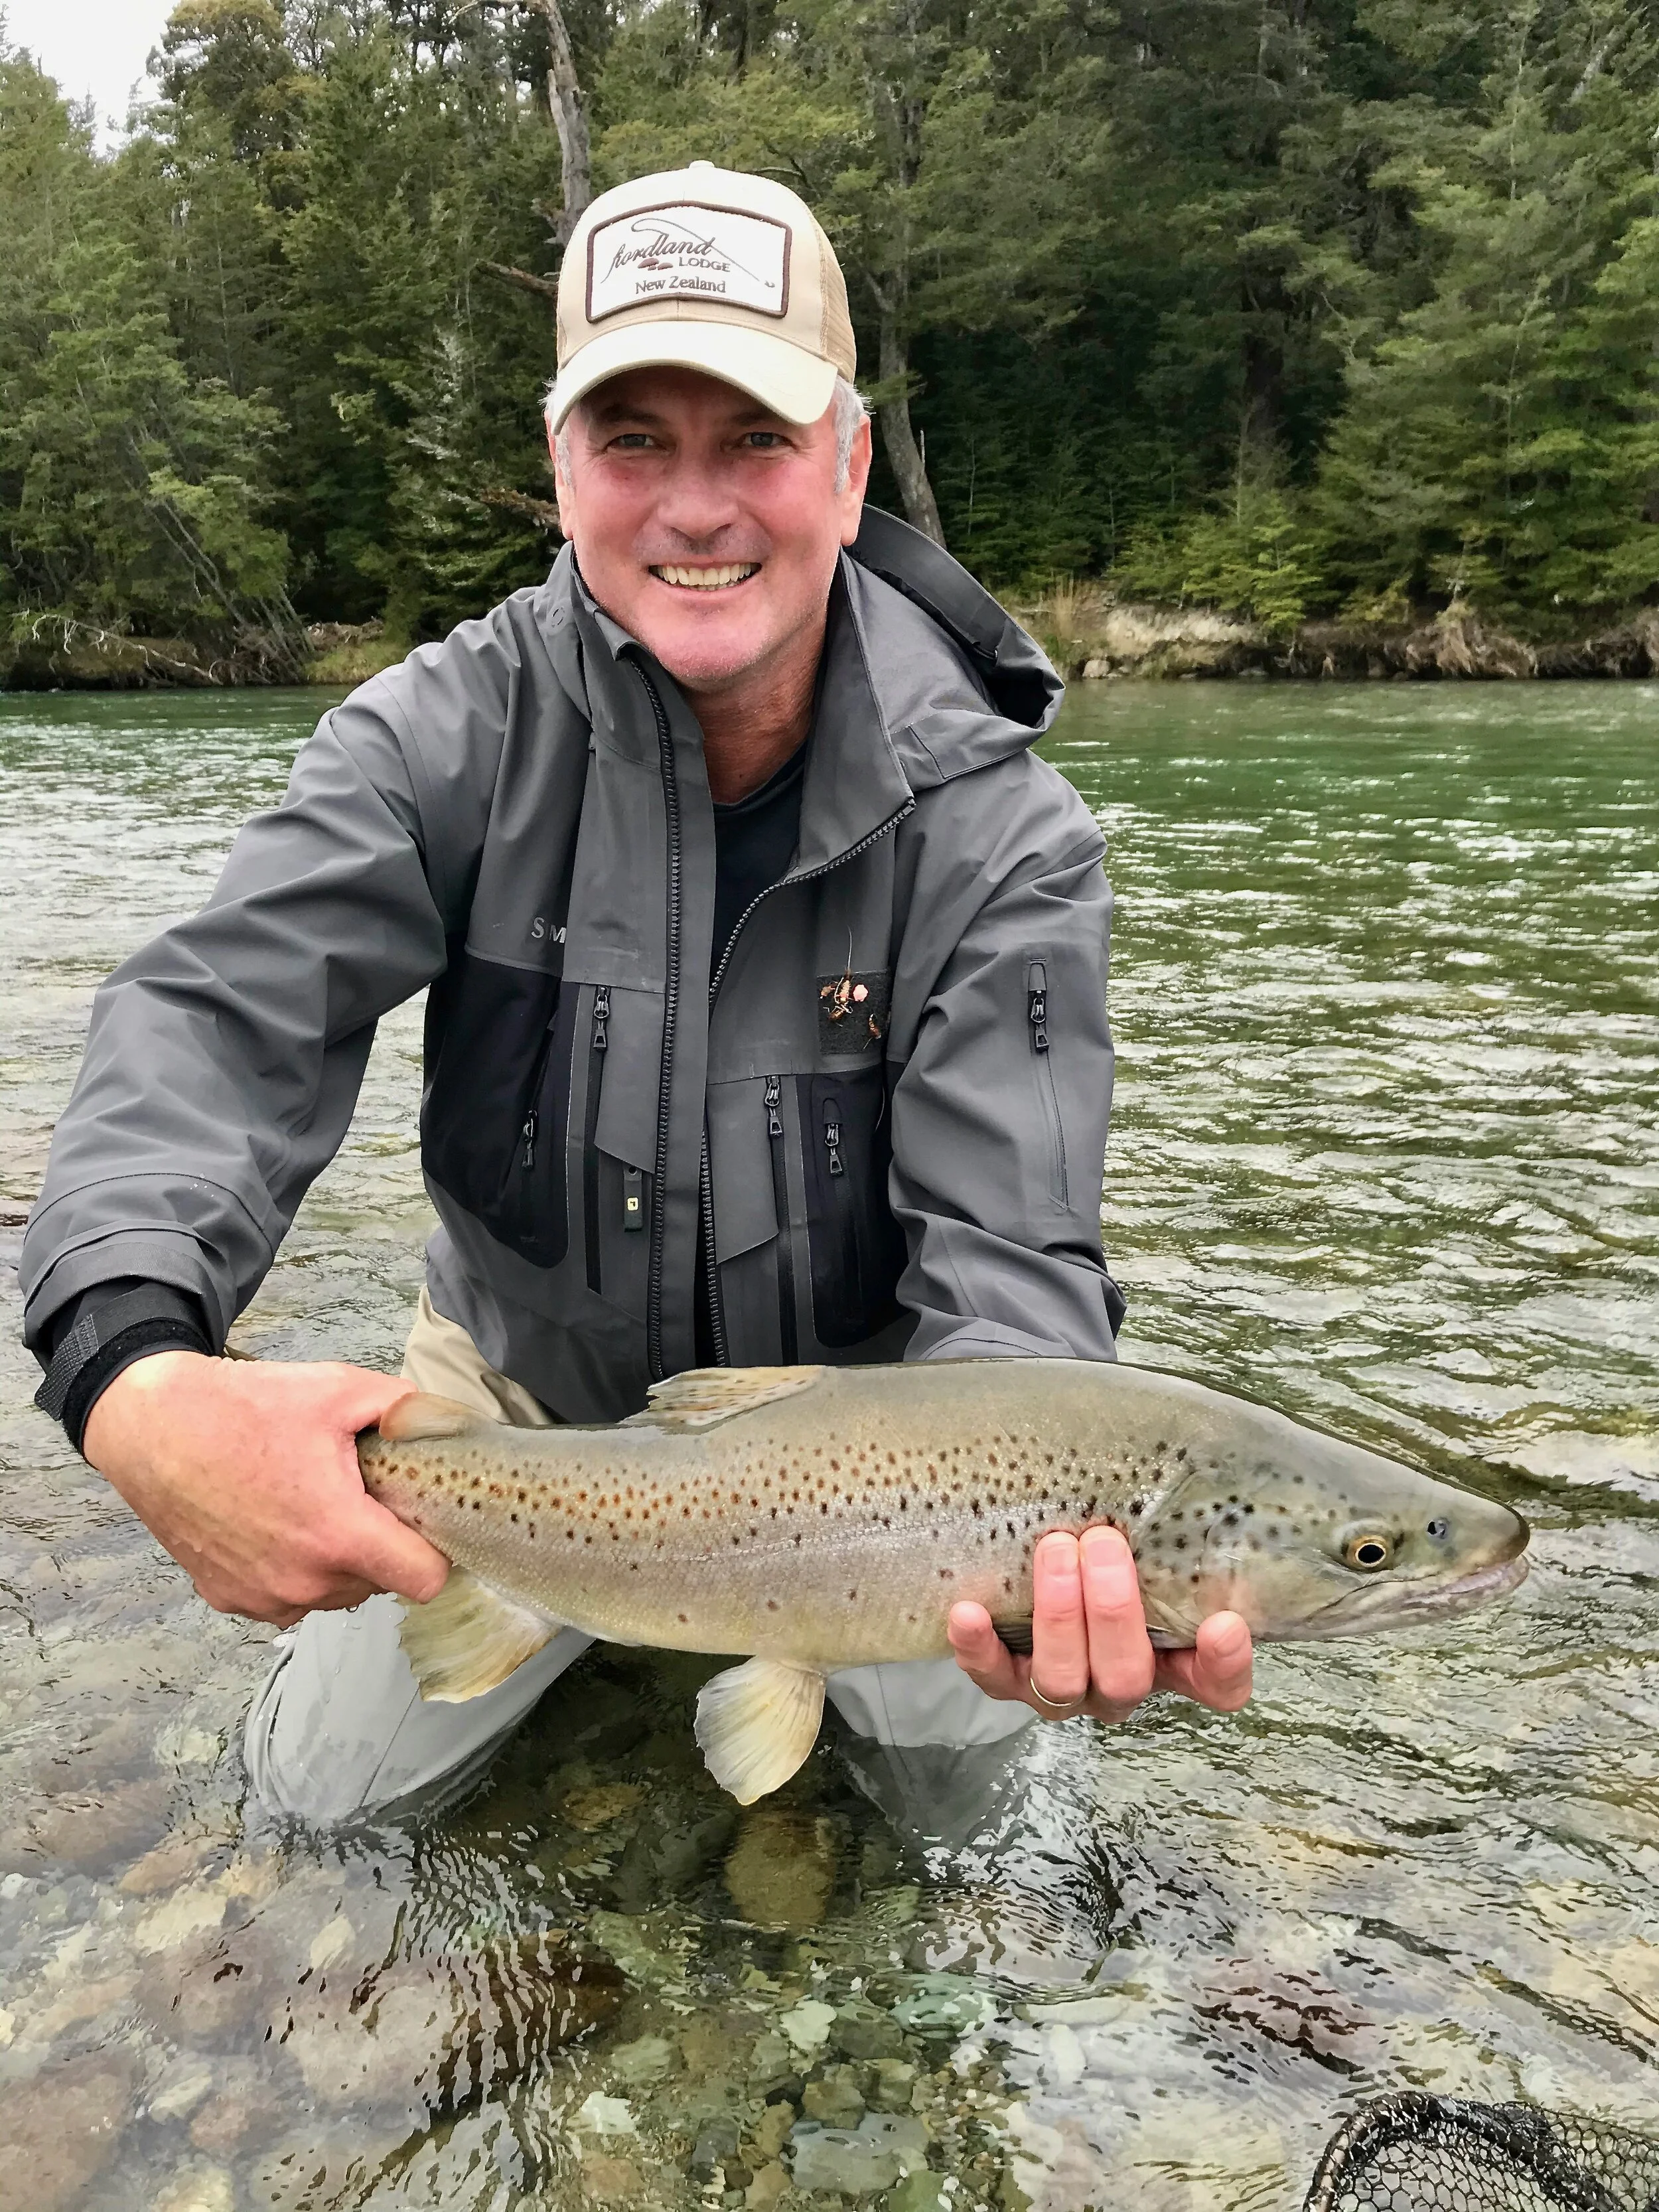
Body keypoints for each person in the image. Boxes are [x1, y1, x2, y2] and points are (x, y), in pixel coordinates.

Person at [21, 163, 1252, 1823]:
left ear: (848, 458)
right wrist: (134, 1372)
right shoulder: (434, 741)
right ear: (558, 468)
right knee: (316, 1809)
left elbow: (1015, 1266)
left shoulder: (1001, 836)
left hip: (893, 1476)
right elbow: (207, 1027)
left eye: (752, 438)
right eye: (633, 442)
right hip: (513, 1429)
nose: (696, 508)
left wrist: (1064, 1533)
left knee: (963, 1826)